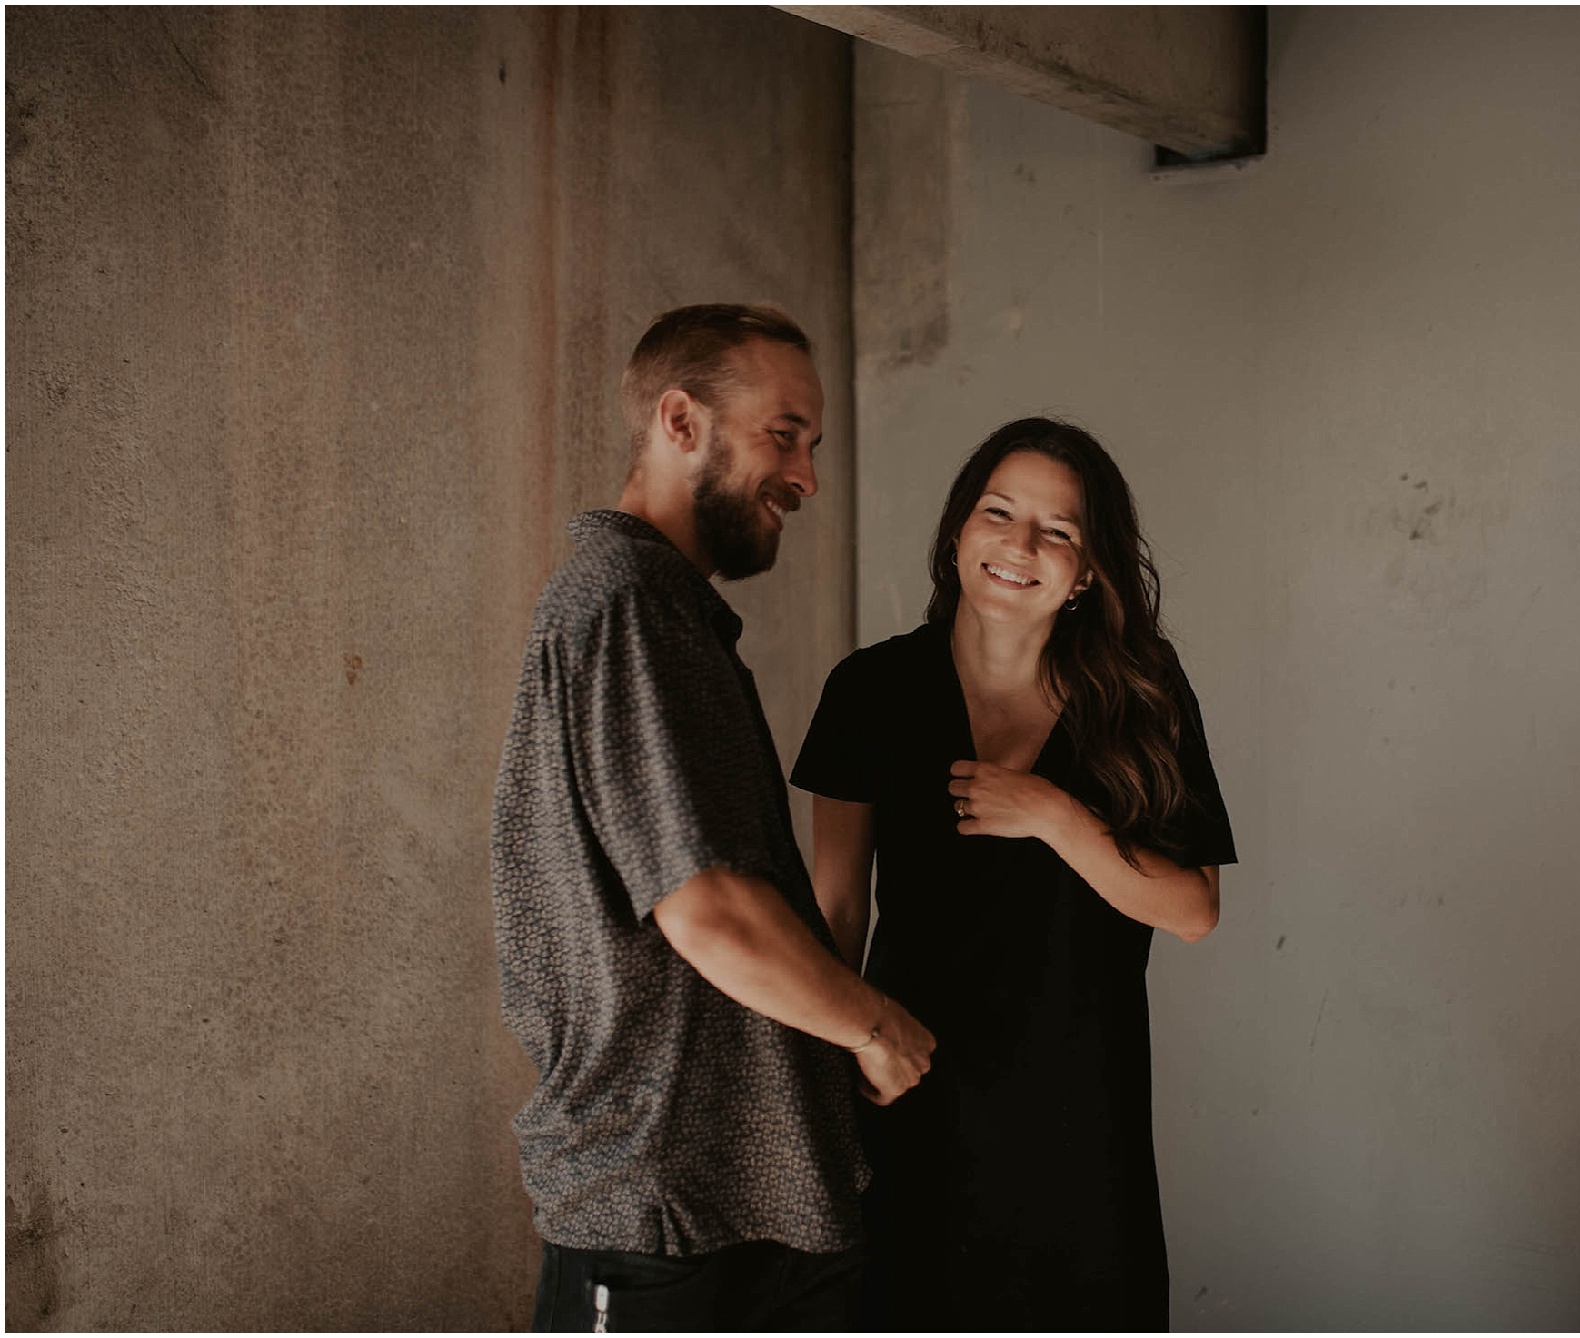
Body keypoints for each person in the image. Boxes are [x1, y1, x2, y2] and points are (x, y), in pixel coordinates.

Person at [491, 303, 936, 1332]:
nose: (806, 478)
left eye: (812, 445)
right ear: (679, 422)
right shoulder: (623, 608)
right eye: (783, 434)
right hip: (660, 1213)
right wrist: (873, 1027)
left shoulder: (665, 614)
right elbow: (709, 913)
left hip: (735, 1204)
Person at [791, 417, 1236, 1330]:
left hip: (1080, 1122)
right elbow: (836, 913)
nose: (1020, 544)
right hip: (909, 1096)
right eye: (999, 512)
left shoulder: (1140, 694)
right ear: (959, 531)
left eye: (1059, 530)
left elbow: (1193, 909)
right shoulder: (869, 690)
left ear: (1089, 572)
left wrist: (1055, 817)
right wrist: (829, 1082)